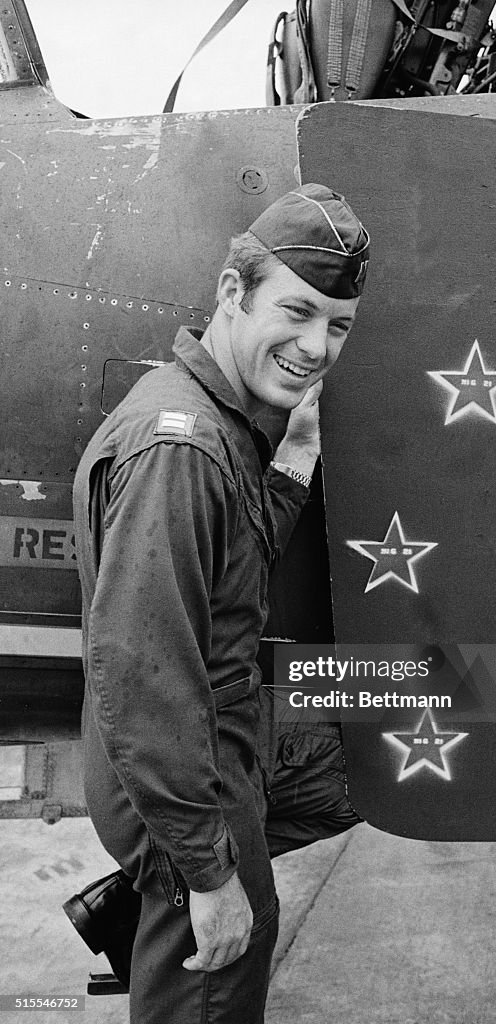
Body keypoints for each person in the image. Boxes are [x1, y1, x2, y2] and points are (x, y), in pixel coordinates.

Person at [70, 183, 370, 1023]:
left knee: (363, 770)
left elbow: (228, 566)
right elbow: (141, 679)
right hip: (184, 776)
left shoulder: (210, 420)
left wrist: (293, 461)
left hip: (197, 755)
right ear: (231, 293)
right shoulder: (184, 449)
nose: (317, 347)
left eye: (337, 325)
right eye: (298, 311)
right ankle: (171, 893)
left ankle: (160, 900)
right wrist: (208, 873)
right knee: (222, 973)